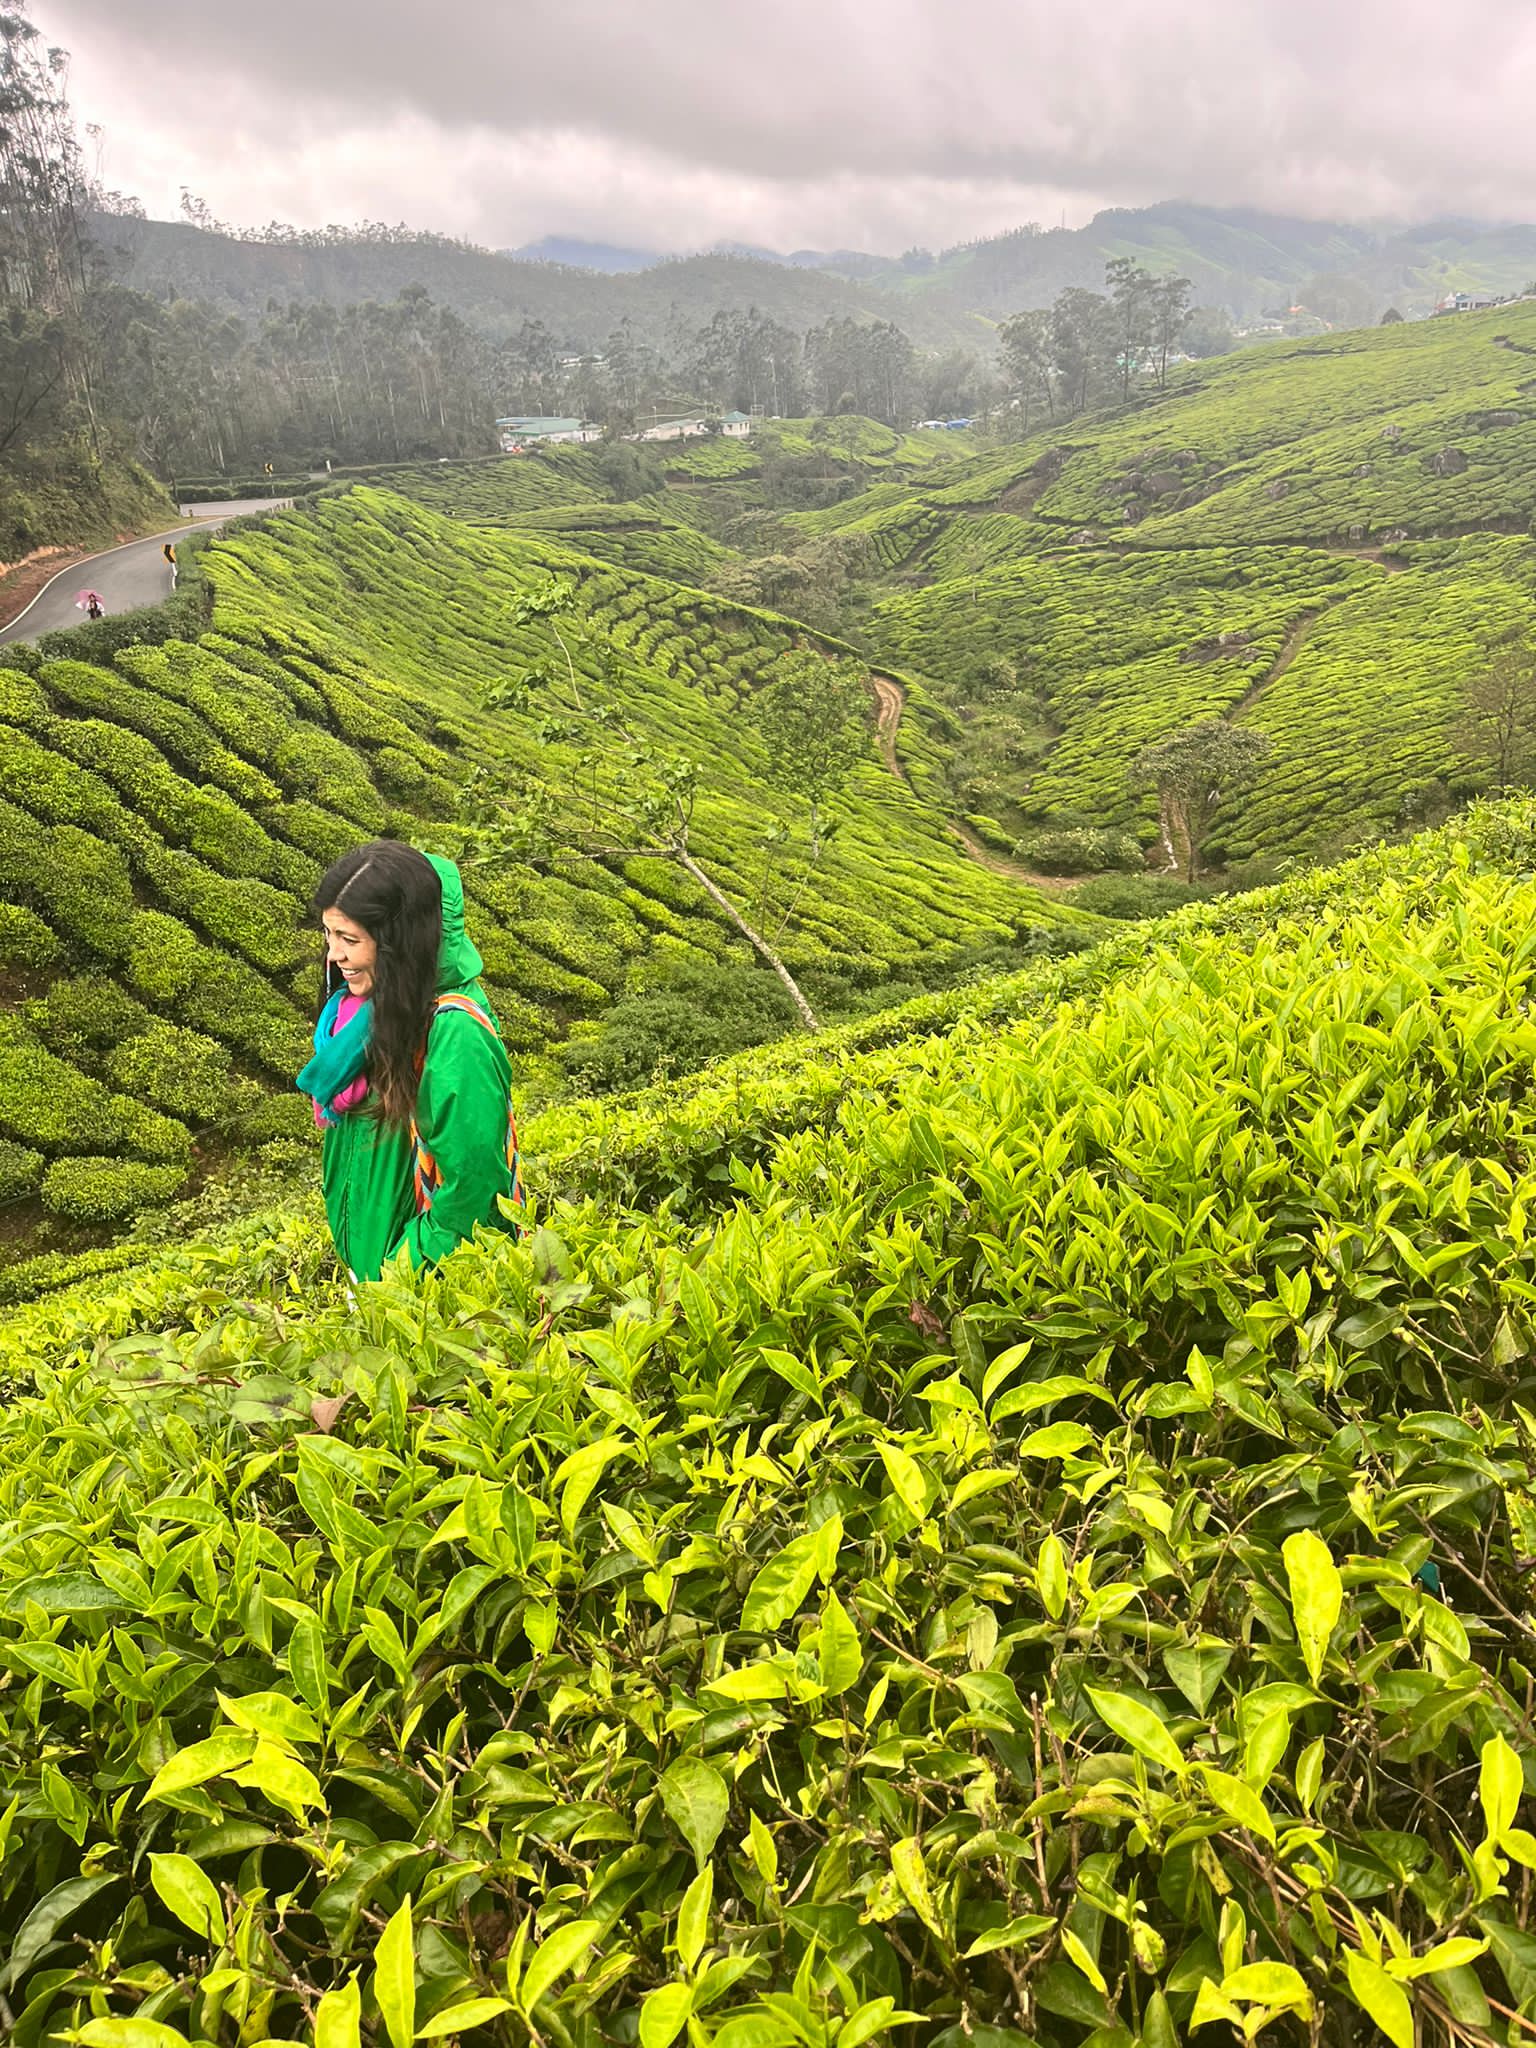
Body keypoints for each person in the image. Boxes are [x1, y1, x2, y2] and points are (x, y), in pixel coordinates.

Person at [295, 840, 521, 1283]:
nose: (333, 955)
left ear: (398, 943)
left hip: (420, 1293)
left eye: (350, 939)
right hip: (377, 1271)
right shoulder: (368, 1013)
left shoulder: (453, 1035)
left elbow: (472, 1206)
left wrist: (391, 1281)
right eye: (329, 934)